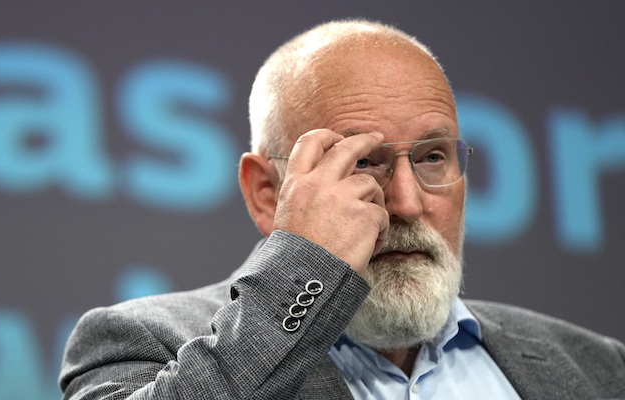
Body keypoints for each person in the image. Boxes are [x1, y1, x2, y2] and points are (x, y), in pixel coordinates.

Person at [59, 19, 625, 399]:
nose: (405, 202)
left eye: (432, 156)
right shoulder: (140, 342)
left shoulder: (597, 368)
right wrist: (306, 267)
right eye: (361, 161)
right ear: (266, 192)